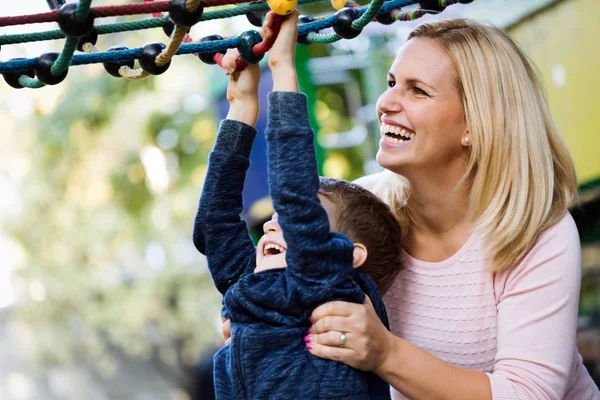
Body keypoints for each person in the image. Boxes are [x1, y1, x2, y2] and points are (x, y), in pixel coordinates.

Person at [222, 18, 600, 399]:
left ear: (475, 123)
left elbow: (529, 394)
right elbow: (278, 284)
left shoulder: (537, 234)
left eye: (417, 91)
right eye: (391, 84)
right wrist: (258, 325)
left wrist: (385, 353)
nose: (385, 104)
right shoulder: (359, 207)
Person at [192, 11, 403, 399]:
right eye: (277, 219)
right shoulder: (257, 293)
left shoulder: (331, 290)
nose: (273, 224)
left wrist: (282, 68)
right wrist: (241, 109)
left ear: (348, 257)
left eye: (294, 219)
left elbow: (294, 199)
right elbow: (213, 224)